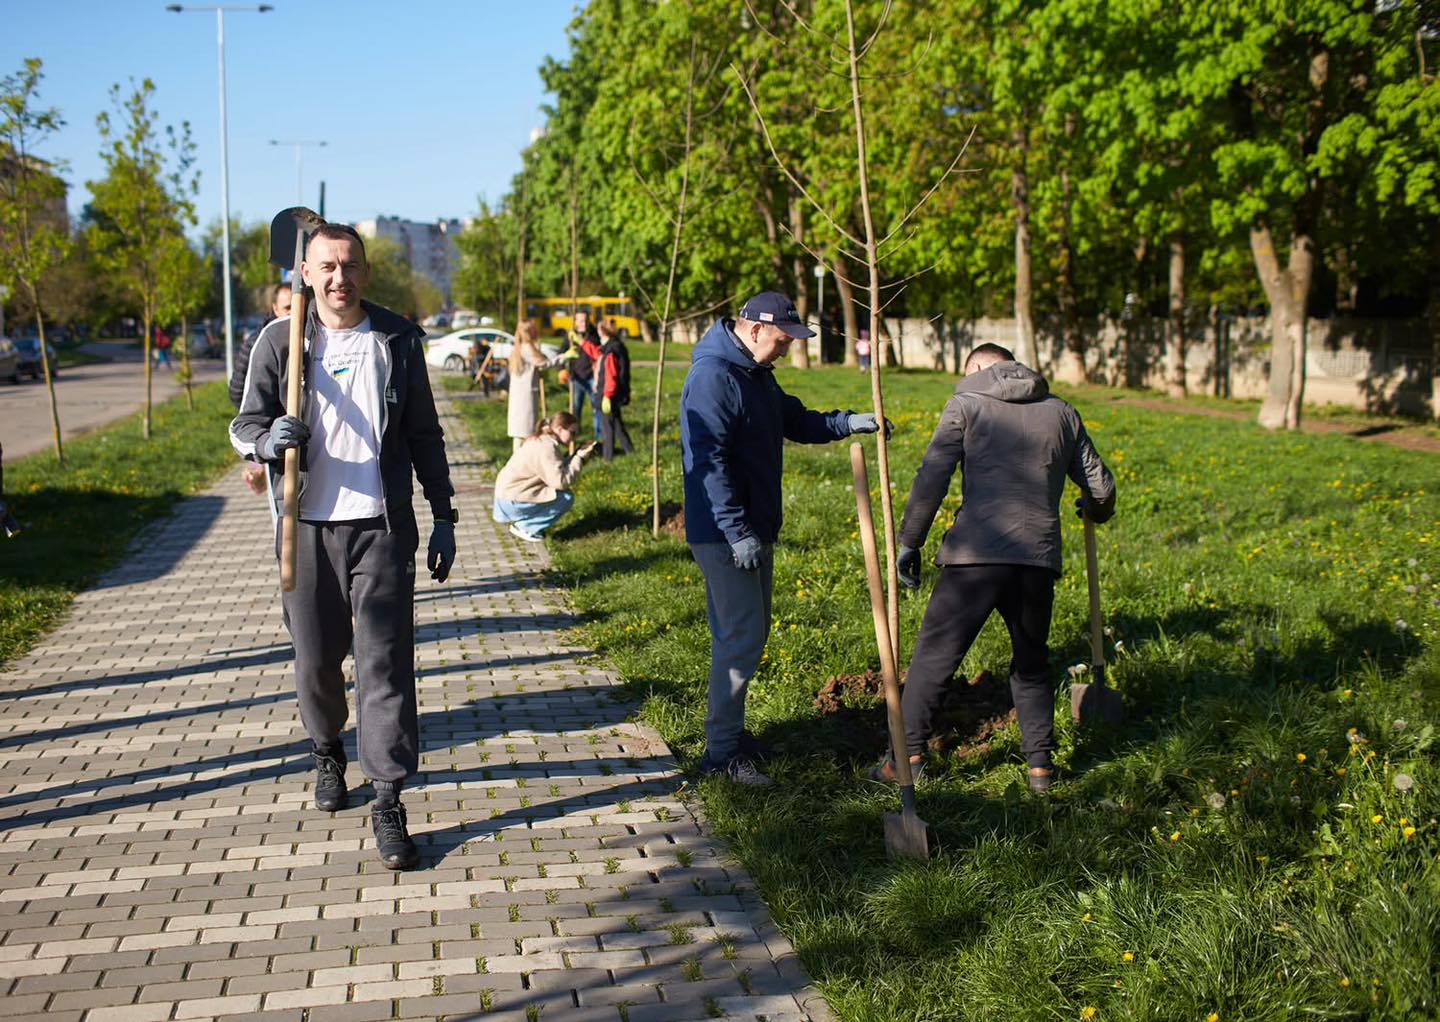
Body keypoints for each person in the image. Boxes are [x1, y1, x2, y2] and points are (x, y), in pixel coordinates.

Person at [229, 223, 456, 871]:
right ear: (305, 272)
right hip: (304, 529)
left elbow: (425, 435)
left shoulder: (396, 339)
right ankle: (327, 748)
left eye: (350, 266)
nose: (339, 278)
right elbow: (244, 423)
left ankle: (388, 794)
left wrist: (444, 514)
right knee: (317, 663)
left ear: (365, 271)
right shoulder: (280, 339)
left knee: (385, 666)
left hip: (381, 529)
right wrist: (268, 441)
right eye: (326, 266)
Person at [877, 342, 1116, 792]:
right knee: (1031, 663)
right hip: (1036, 560)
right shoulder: (1062, 412)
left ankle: (904, 759)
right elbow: (1100, 488)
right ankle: (1041, 769)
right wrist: (1094, 510)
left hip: (974, 558)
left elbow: (932, 477)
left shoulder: (965, 405)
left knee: (934, 659)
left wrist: (910, 542)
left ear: (980, 368)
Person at [681, 291, 892, 786]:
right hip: (724, 533)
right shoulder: (715, 378)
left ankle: (729, 735)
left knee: (744, 636)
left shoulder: (754, 374)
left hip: (751, 529)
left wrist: (845, 423)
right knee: (741, 638)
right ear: (754, 329)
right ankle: (720, 756)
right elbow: (706, 464)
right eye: (781, 340)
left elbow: (794, 420)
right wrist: (736, 531)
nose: (785, 351)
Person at [492, 411, 596, 541]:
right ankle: (526, 527)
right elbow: (561, 482)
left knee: (558, 494)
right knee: (566, 497)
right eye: (572, 432)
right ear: (559, 429)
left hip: (505, 497)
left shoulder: (541, 439)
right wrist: (579, 458)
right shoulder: (547, 447)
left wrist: (576, 457)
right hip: (511, 501)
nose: (574, 438)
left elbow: (556, 469)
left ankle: (526, 522)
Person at [232, 282, 294, 496]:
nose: (293, 314)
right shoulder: (261, 342)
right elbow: (239, 391)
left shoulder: (313, 337)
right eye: (287, 309)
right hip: (273, 439)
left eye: (299, 306)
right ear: (275, 309)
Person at [506, 320, 551, 451]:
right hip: (525, 398)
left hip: (519, 398)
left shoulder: (519, 347)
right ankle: (521, 466)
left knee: (521, 436)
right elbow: (544, 363)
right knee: (525, 435)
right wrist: (564, 357)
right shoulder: (526, 348)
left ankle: (519, 465)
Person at [596, 318, 633, 462]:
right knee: (617, 423)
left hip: (609, 395)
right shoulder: (616, 346)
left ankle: (608, 458)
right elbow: (596, 353)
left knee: (607, 427)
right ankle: (629, 450)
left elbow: (611, 375)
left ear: (603, 332)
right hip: (616, 394)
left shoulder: (611, 351)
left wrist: (607, 395)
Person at [562, 310, 603, 437]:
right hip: (576, 377)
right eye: (580, 320)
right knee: (575, 408)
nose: (583, 323)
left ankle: (599, 435)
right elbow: (561, 353)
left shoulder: (594, 334)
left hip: (591, 376)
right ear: (575, 322)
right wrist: (562, 369)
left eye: (585, 320)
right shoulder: (570, 336)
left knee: (597, 407)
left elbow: (598, 352)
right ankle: (574, 434)